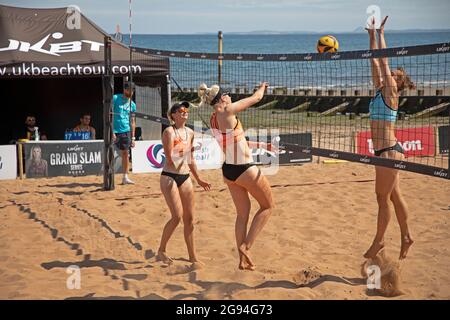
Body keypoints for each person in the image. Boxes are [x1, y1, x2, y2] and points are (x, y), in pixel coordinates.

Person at [198, 82, 274, 271]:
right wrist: (263, 86)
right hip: (245, 169)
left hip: (229, 171)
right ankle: (246, 246)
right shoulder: (228, 110)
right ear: (223, 98)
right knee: (268, 206)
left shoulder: (214, 118)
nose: (230, 97)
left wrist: (262, 145)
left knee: (242, 215)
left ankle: (242, 260)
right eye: (228, 95)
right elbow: (257, 98)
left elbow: (236, 140)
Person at [364, 16, 415, 260]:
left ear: (398, 82)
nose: (388, 74)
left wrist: (381, 35)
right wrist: (372, 35)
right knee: (394, 196)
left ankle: (379, 241)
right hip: (384, 151)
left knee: (381, 198)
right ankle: (406, 236)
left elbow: (384, 60)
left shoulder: (391, 92)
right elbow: (376, 61)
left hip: (389, 152)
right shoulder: (379, 90)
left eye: (393, 74)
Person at [157, 102, 211, 267]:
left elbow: (191, 160)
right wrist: (187, 150)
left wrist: (199, 179)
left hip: (185, 176)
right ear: (173, 115)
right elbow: (171, 159)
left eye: (186, 110)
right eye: (181, 110)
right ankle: (161, 250)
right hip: (169, 176)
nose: (185, 112)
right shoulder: (169, 132)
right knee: (177, 217)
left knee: (190, 219)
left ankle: (192, 256)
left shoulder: (190, 132)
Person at [113, 82, 136, 185]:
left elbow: (132, 122)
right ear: (125, 89)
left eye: (132, 90)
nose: (131, 92)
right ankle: (108, 176)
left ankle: (125, 177)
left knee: (125, 153)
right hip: (114, 131)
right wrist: (111, 131)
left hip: (126, 131)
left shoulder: (132, 104)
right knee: (109, 153)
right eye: (129, 90)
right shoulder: (115, 98)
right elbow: (109, 115)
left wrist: (133, 137)